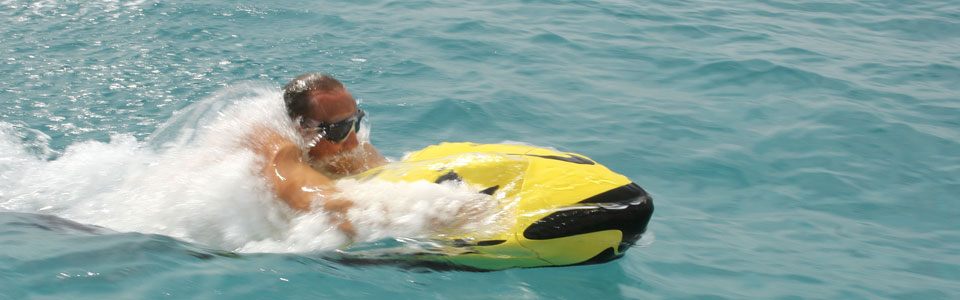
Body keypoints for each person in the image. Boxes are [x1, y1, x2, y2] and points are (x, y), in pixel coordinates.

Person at [249, 73, 389, 238]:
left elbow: (387, 176)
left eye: (355, 123)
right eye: (340, 130)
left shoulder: (344, 143)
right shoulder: (279, 150)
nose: (354, 142)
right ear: (303, 128)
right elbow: (323, 203)